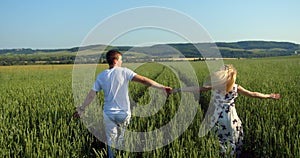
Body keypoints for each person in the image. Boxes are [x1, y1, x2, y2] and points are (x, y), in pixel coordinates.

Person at [73, 49, 172, 158]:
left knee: (111, 140)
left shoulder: (101, 76)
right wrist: (162, 87)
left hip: (109, 113)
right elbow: (143, 80)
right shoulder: (124, 71)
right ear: (115, 61)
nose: (122, 62)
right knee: (122, 138)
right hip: (124, 113)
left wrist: (82, 109)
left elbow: (92, 94)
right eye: (121, 60)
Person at [172, 64, 280, 157]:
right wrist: (268, 96)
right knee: (233, 136)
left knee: (220, 137)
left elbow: (196, 88)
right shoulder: (236, 87)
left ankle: (221, 154)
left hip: (218, 117)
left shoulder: (215, 86)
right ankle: (233, 154)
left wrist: (178, 90)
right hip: (231, 117)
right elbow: (253, 94)